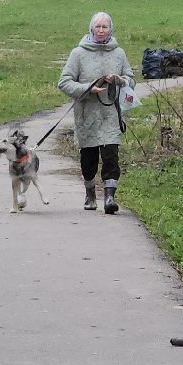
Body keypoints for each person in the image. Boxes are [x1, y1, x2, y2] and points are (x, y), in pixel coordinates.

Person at [57, 11, 134, 214]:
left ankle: (109, 198)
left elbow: (131, 79)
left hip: (110, 114)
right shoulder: (78, 54)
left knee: (111, 157)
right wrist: (87, 89)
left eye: (105, 27)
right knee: (89, 159)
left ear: (111, 29)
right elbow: (64, 82)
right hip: (87, 115)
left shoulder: (119, 53)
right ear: (91, 29)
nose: (101, 30)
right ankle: (90, 193)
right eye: (98, 27)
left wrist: (119, 80)